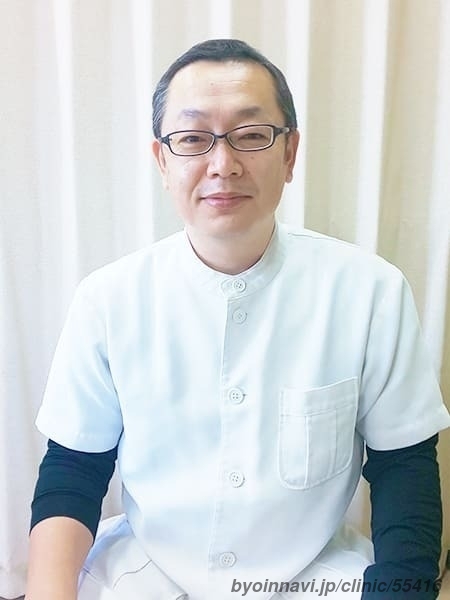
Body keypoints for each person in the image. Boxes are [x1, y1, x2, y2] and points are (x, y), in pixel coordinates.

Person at [25, 39, 449, 600]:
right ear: (162, 161)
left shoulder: (371, 292)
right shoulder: (107, 300)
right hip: (146, 568)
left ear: (290, 153)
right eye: (192, 138)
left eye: (251, 135)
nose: (222, 165)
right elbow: (73, 471)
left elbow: (405, 468)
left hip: (315, 573)